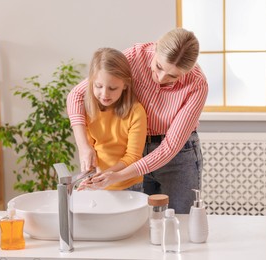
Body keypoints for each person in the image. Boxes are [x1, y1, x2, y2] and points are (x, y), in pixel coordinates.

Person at [67, 28, 209, 213]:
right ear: (156, 47)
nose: (160, 78)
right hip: (135, 150)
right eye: (158, 66)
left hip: (178, 158)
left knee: (181, 219)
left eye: (173, 76)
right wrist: (84, 146)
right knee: (143, 223)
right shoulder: (134, 56)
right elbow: (76, 95)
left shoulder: (197, 84)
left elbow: (169, 148)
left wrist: (117, 176)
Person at [77, 47, 147, 191]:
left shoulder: (136, 112)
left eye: (112, 88)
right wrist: (90, 175)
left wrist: (107, 175)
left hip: (129, 184)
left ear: (125, 85)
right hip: (100, 183)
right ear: (91, 83)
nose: (104, 94)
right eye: (98, 86)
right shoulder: (87, 110)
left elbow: (133, 157)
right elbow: (90, 149)